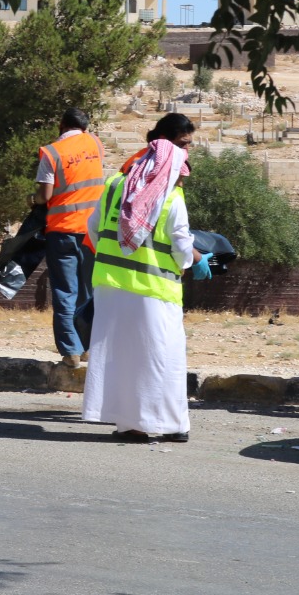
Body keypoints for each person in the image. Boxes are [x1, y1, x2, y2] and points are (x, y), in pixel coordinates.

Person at [82, 133, 209, 443]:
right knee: (163, 359)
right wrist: (190, 263)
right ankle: (171, 425)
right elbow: (181, 247)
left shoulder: (114, 186)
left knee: (124, 359)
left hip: (111, 289)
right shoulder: (170, 197)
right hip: (154, 292)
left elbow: (93, 228)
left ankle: (132, 425)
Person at [35, 108, 105, 367]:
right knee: (87, 290)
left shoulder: (51, 152)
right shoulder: (95, 143)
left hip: (61, 231)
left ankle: (70, 352)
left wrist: (33, 200)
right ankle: (88, 347)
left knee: (65, 292)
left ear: (60, 125)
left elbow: (45, 195)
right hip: (91, 232)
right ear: (85, 128)